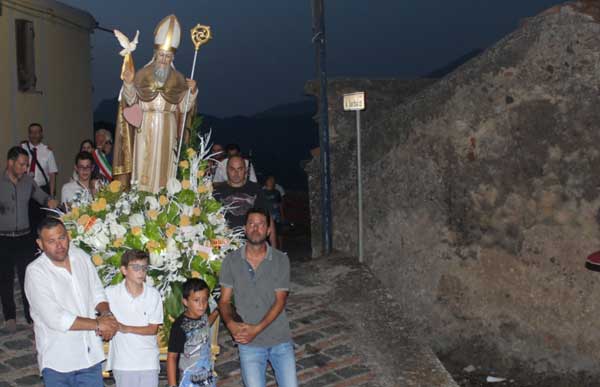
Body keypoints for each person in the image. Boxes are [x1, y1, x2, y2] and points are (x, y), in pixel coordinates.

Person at [25, 217, 119, 387]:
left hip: (90, 357)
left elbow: (97, 292)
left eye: (61, 238)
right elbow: (55, 318)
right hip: (59, 362)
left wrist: (107, 315)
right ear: (40, 244)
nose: (59, 245)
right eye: (51, 241)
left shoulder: (80, 257)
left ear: (68, 236)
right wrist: (99, 324)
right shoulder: (35, 272)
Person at [113, 14, 197, 193]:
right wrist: (128, 83)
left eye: (168, 56)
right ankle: (140, 196)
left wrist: (192, 91)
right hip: (145, 127)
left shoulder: (178, 79)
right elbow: (130, 101)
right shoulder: (142, 75)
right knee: (144, 164)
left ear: (172, 58)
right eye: (161, 55)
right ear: (155, 54)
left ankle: (164, 197)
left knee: (166, 167)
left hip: (168, 126)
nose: (164, 60)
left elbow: (183, 108)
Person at [218, 208, 298, 387]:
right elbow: (224, 301)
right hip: (249, 343)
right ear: (245, 229)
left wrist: (257, 328)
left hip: (280, 339)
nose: (256, 228)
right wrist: (231, 325)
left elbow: (280, 300)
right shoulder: (231, 261)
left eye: (261, 224)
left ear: (269, 230)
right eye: (251, 224)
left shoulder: (280, 260)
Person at [0, 146, 58, 331]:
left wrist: (52, 202)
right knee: (5, 279)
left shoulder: (28, 182)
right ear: (10, 163)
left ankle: (29, 315)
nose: (25, 168)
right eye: (22, 164)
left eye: (26, 164)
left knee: (28, 279)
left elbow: (42, 197)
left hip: (25, 238)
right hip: (3, 239)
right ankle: (10, 317)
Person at [105, 250, 163, 387]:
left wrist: (125, 328)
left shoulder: (153, 295)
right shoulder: (110, 293)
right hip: (123, 363)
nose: (141, 272)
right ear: (124, 270)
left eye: (144, 268)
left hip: (149, 362)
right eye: (136, 267)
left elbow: (153, 329)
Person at [213, 155, 277, 247]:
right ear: (227, 170)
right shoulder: (217, 192)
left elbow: (268, 219)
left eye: (239, 169)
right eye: (232, 169)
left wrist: (274, 250)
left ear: (246, 171)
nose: (236, 173)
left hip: (251, 245)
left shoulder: (256, 190)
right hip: (224, 244)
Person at [167, 278, 219, 387]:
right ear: (185, 302)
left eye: (204, 300)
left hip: (207, 380)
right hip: (189, 382)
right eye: (196, 300)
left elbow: (206, 323)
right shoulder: (180, 326)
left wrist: (217, 311)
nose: (202, 305)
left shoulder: (203, 317)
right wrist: (172, 385)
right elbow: (172, 357)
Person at [21, 123, 58, 197]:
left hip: (42, 190)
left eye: (37, 132)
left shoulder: (48, 151)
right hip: (25, 189)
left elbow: (52, 175)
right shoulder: (22, 149)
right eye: (32, 132)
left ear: (41, 134)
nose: (34, 135)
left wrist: (52, 195)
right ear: (29, 135)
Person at [262, 176, 284, 248]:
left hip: (277, 217)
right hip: (266, 216)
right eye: (270, 180)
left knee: (279, 233)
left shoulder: (277, 192)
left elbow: (280, 204)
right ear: (266, 181)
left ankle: (280, 249)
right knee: (267, 233)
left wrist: (282, 215)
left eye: (273, 180)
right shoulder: (262, 192)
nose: (271, 182)